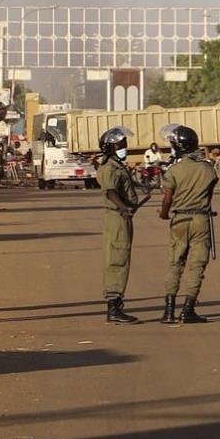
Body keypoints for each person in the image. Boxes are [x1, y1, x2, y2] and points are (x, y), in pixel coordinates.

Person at [157, 125, 218, 324]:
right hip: (200, 219)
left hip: (179, 220)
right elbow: (208, 195)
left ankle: (168, 312)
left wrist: (164, 215)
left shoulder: (173, 171)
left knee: (175, 263)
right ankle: (188, 310)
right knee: (197, 265)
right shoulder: (207, 169)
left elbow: (167, 199)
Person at [96, 126, 140, 324]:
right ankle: (113, 307)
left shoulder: (117, 166)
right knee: (117, 260)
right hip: (116, 218)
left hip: (122, 216)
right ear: (111, 147)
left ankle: (117, 304)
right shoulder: (110, 168)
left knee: (122, 258)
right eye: (121, 145)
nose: (125, 147)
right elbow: (110, 191)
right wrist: (123, 208)